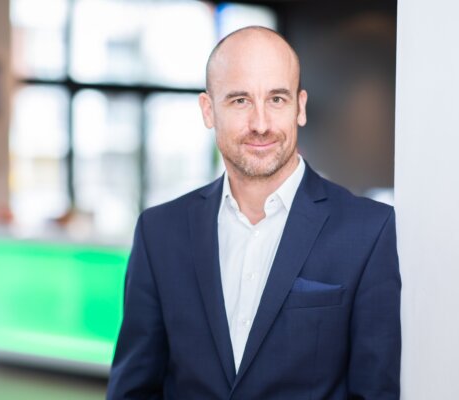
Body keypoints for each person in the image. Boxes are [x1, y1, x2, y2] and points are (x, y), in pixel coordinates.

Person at [107, 26, 401, 400]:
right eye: (240, 100)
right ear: (208, 110)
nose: (261, 124)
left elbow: (375, 393)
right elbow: (133, 389)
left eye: (276, 99)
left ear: (300, 107)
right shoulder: (159, 233)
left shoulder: (368, 232)